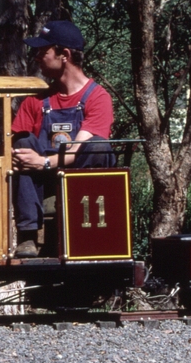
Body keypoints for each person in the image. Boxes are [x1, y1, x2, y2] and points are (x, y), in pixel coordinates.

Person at [11, 20, 115, 258]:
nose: (37, 56)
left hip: (76, 178)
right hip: (39, 178)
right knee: (22, 141)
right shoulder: (34, 101)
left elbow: (76, 150)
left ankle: (87, 230)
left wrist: (44, 162)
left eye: (43, 51)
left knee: (96, 146)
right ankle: (28, 235)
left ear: (64, 54)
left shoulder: (98, 98)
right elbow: (15, 145)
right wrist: (26, 157)